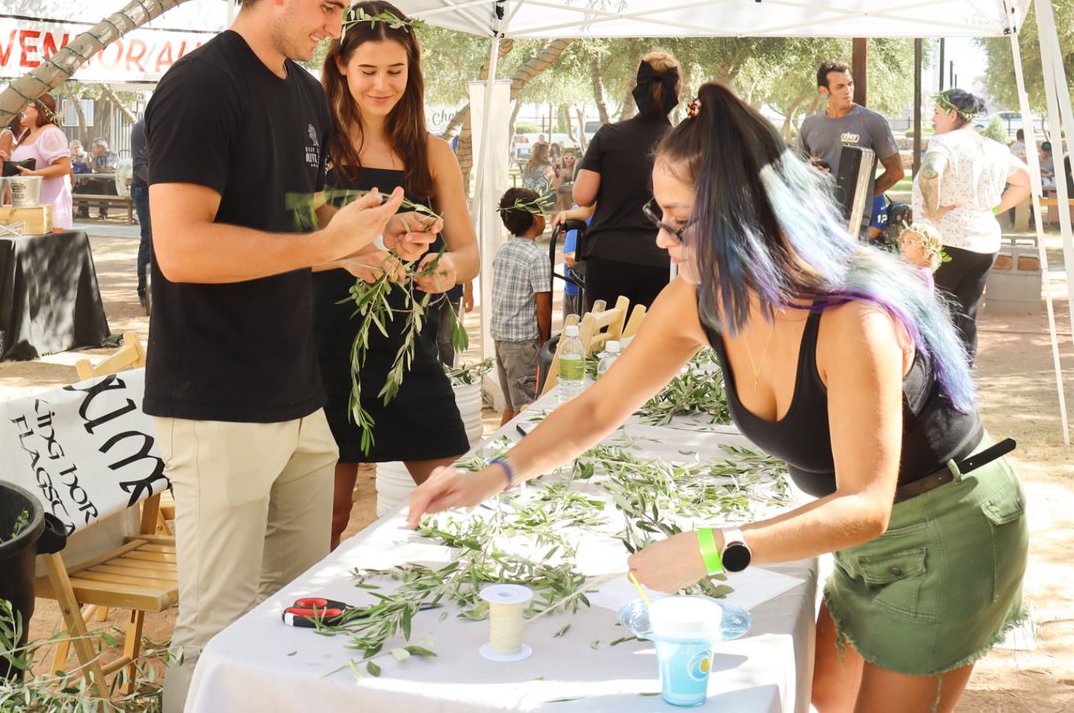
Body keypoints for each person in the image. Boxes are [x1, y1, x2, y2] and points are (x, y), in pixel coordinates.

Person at [411, 81, 1027, 713]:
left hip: (944, 526)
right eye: (660, 216)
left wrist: (711, 548)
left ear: (747, 213)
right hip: (863, 539)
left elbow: (866, 504)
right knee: (824, 691)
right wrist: (494, 475)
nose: (660, 240)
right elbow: (599, 407)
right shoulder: (696, 298)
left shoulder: (851, 319)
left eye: (679, 222)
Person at [141, 0, 438, 713]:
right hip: (216, 401)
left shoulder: (306, 96)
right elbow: (182, 250)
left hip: (297, 397)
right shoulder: (200, 86)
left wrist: (360, 240)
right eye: (330, 9)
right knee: (213, 623)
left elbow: (293, 225)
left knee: (296, 606)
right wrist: (320, 246)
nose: (336, 29)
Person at [315, 0, 479, 547]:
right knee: (326, 520)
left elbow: (469, 253)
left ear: (413, 70)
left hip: (407, 352)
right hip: (320, 350)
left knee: (454, 504)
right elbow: (294, 226)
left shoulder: (432, 153)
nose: (382, 85)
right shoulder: (313, 146)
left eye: (395, 71)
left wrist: (441, 268)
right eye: (368, 71)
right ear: (340, 65)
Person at [912, 89, 1030, 366]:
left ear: (953, 115)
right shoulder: (995, 148)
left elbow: (930, 172)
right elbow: (1025, 180)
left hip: (946, 241)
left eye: (937, 113)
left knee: (934, 310)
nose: (933, 118)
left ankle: (934, 377)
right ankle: (962, 375)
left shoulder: (945, 142)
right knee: (966, 313)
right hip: (984, 242)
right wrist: (996, 209)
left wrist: (932, 208)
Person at [570, 51, 681, 310]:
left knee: (602, 342)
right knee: (652, 344)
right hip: (661, 258)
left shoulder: (609, 136)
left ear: (638, 88)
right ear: (675, 92)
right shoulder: (681, 144)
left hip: (608, 255)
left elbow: (582, 196)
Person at [799, 60, 904, 230]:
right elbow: (796, 170)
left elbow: (896, 172)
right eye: (840, 86)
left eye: (850, 84)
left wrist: (862, 197)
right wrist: (807, 168)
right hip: (817, 220)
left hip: (854, 223)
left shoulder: (873, 122)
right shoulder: (810, 124)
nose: (847, 91)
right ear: (824, 91)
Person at [491, 186, 552, 424]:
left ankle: (492, 456)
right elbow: (543, 307)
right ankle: (515, 458)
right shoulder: (537, 257)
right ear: (536, 218)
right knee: (525, 410)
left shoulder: (504, 250)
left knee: (511, 406)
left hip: (501, 339)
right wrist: (544, 340)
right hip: (522, 345)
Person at [0, 93, 73, 231]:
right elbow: (25, 167)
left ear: (41, 110)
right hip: (28, 207)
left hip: (48, 208)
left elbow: (64, 167)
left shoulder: (50, 132)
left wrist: (33, 174)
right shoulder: (28, 135)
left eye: (26, 106)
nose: (21, 111)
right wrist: (7, 161)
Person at [129, 117, 150, 311]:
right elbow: (139, 166)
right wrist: (163, 183)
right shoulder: (141, 128)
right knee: (149, 236)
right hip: (144, 188)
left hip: (167, 188)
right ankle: (143, 290)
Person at [899, 222, 944, 290]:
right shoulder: (906, 268)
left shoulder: (923, 274)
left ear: (926, 250)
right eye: (903, 241)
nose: (903, 246)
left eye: (910, 242)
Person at [522, 141, 557, 210]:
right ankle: (555, 219)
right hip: (542, 201)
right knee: (559, 198)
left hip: (527, 199)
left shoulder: (527, 166)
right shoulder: (547, 167)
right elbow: (556, 186)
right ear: (545, 154)